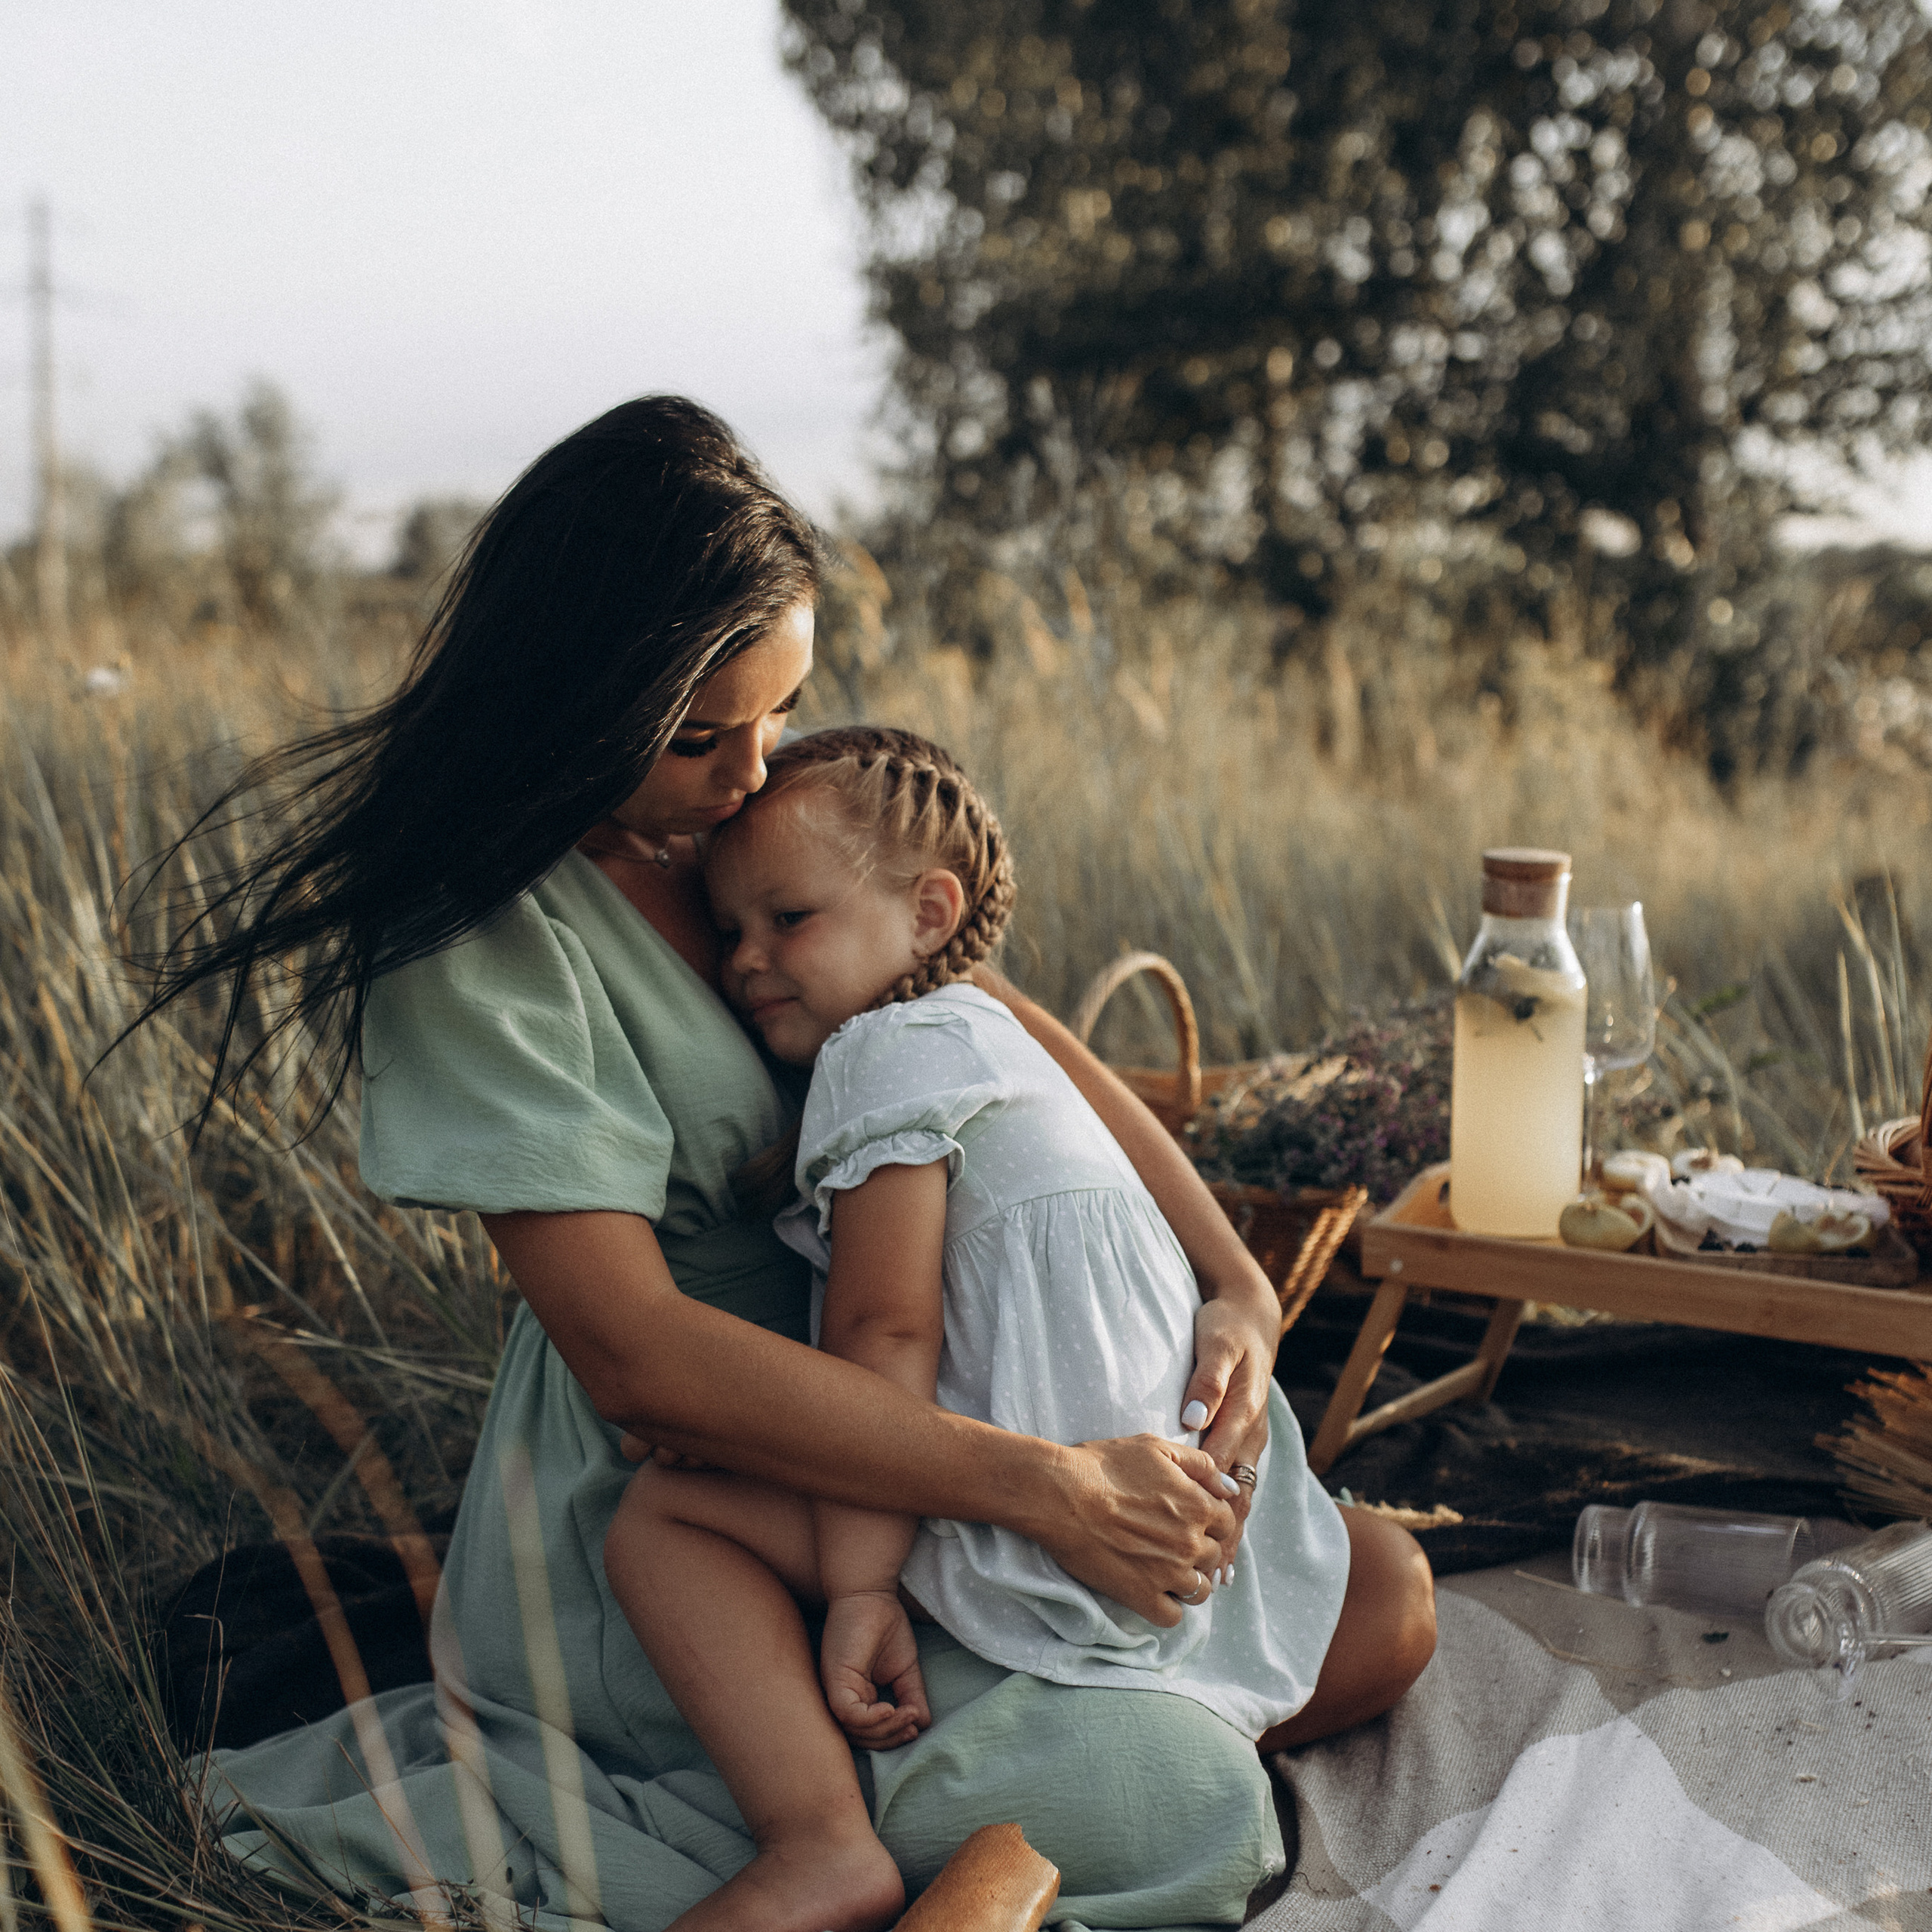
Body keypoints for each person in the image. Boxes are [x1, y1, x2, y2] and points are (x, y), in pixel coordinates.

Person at [136, 395, 1436, 1932]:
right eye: (700, 736)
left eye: (778, 712)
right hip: (711, 1489)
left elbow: (1007, 1028)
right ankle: (870, 1814)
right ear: (578, 698)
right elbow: (639, 1360)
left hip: (945, 1422)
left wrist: (1233, 1288)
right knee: (1187, 1786)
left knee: (1381, 1594)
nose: (751, 772)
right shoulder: (482, 937)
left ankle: (1046, 1720)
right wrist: (1048, 1490)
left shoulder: (756, 828)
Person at [605, 727, 1356, 1932]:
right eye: (730, 930)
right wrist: (1238, 1285)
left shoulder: (882, 1053)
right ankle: (1135, 1746)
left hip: (1056, 1539)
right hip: (1183, 1535)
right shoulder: (991, 1035)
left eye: (788, 920)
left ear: (928, 912)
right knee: (1375, 1602)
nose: (745, 960)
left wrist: (862, 1592)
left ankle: (816, 1844)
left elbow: (885, 1336)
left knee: (662, 1519)